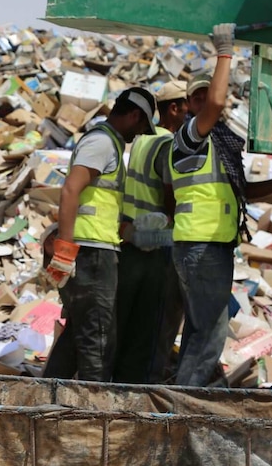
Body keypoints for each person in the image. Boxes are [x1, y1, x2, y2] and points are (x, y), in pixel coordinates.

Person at [169, 24, 272, 386]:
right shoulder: (190, 136)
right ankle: (183, 411)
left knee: (200, 332)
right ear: (190, 104)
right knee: (210, 337)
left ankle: (188, 401)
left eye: (211, 92)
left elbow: (247, 193)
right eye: (200, 96)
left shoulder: (221, 145)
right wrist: (225, 50)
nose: (209, 100)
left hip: (213, 246)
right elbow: (218, 103)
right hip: (200, 246)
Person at [43, 87, 156, 382]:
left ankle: (42, 400)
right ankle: (95, 416)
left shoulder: (109, 144)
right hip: (90, 254)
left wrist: (129, 232)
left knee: (78, 335)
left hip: (95, 248)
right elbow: (70, 190)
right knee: (99, 341)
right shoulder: (102, 143)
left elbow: (98, 203)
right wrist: (65, 251)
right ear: (134, 116)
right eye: (143, 126)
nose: (141, 133)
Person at [113, 80, 188, 383]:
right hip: (154, 245)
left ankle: (115, 381)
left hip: (130, 238)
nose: (188, 115)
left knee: (126, 320)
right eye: (185, 108)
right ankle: (141, 387)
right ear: (173, 108)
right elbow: (172, 201)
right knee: (152, 325)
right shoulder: (167, 144)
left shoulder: (144, 138)